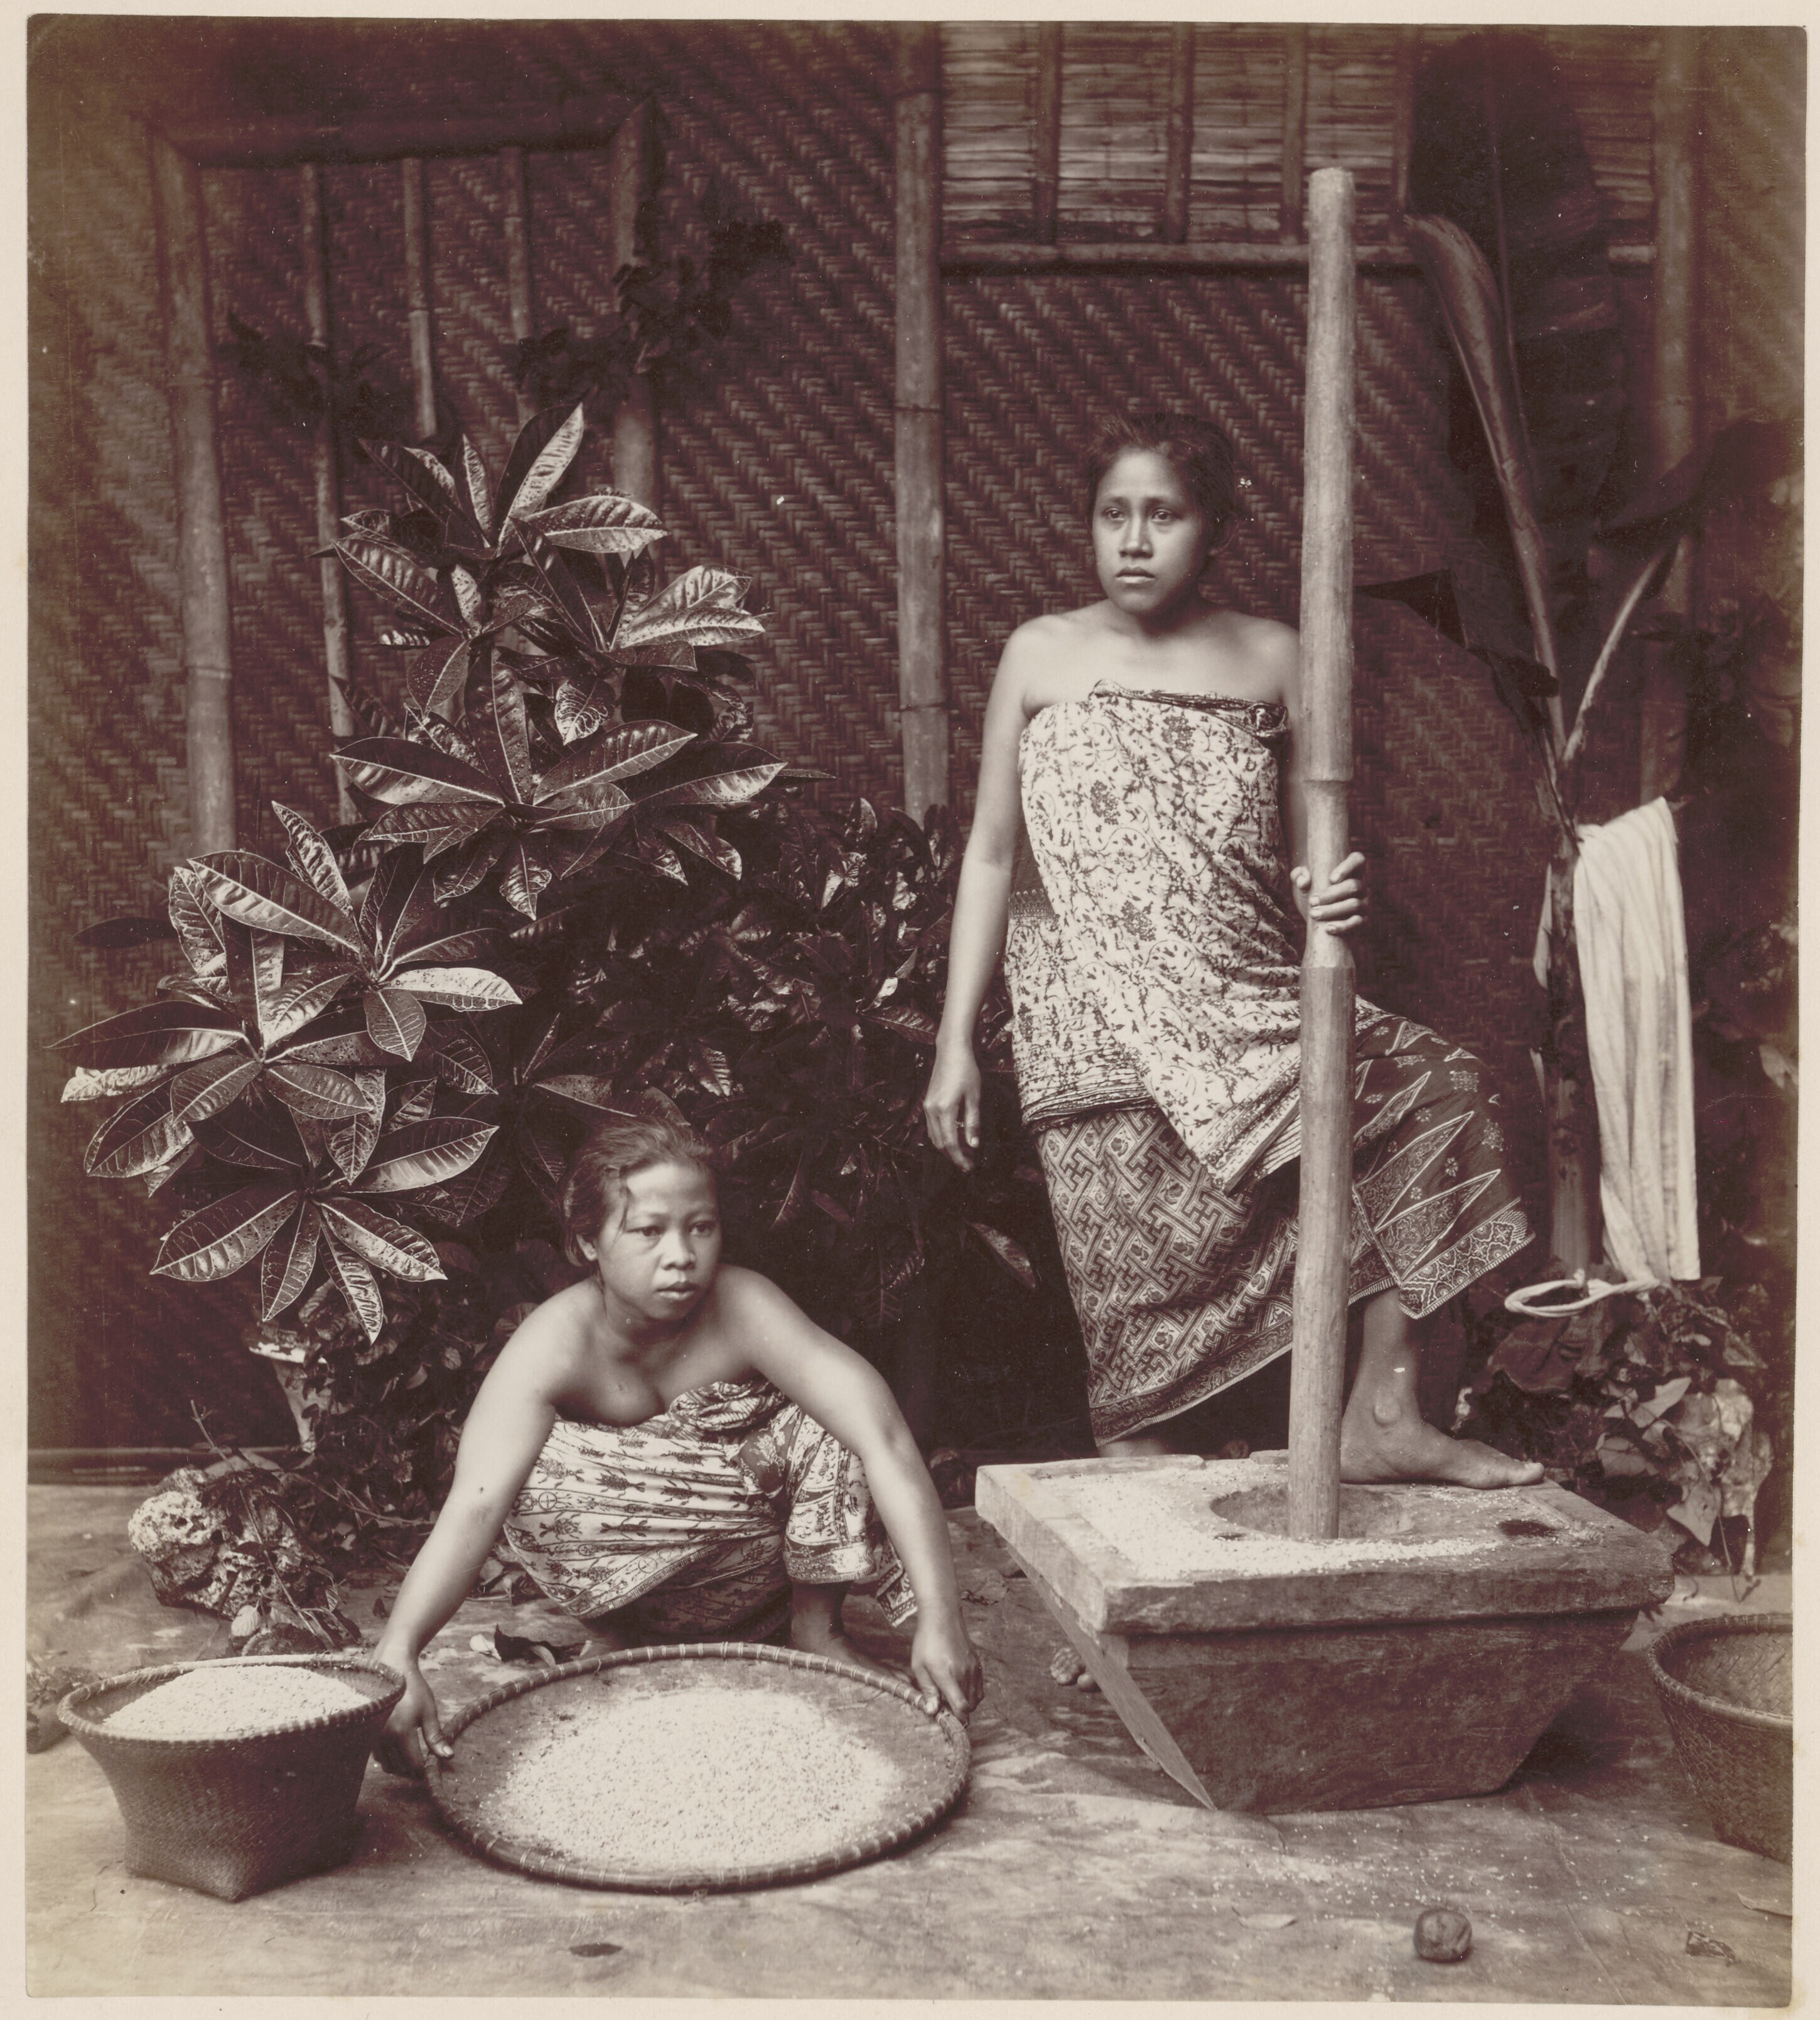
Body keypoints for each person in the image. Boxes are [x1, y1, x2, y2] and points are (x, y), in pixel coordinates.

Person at [924, 411, 1542, 1484]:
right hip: (1091, 1021)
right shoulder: (1038, 653)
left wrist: (1328, 890)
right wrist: (952, 1044)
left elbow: (1309, 856)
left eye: (1162, 515)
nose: (1132, 540)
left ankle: (1380, 1413)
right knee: (1134, 1321)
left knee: (1434, 1092)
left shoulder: (1272, 655)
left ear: (1212, 528)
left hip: (1243, 993)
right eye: (1112, 514)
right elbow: (988, 852)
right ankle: (1136, 1524)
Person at [375, 1115, 983, 1773]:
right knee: (530, 1474)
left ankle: (817, 1628)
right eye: (648, 1231)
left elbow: (884, 1438)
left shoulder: (742, 1304)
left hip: (759, 1572)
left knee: (835, 1423)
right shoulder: (554, 1344)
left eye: (700, 1227)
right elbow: (474, 1505)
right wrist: (398, 1652)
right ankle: (619, 1629)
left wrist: (941, 1617)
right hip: (634, 1573)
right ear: (586, 1242)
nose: (681, 1255)